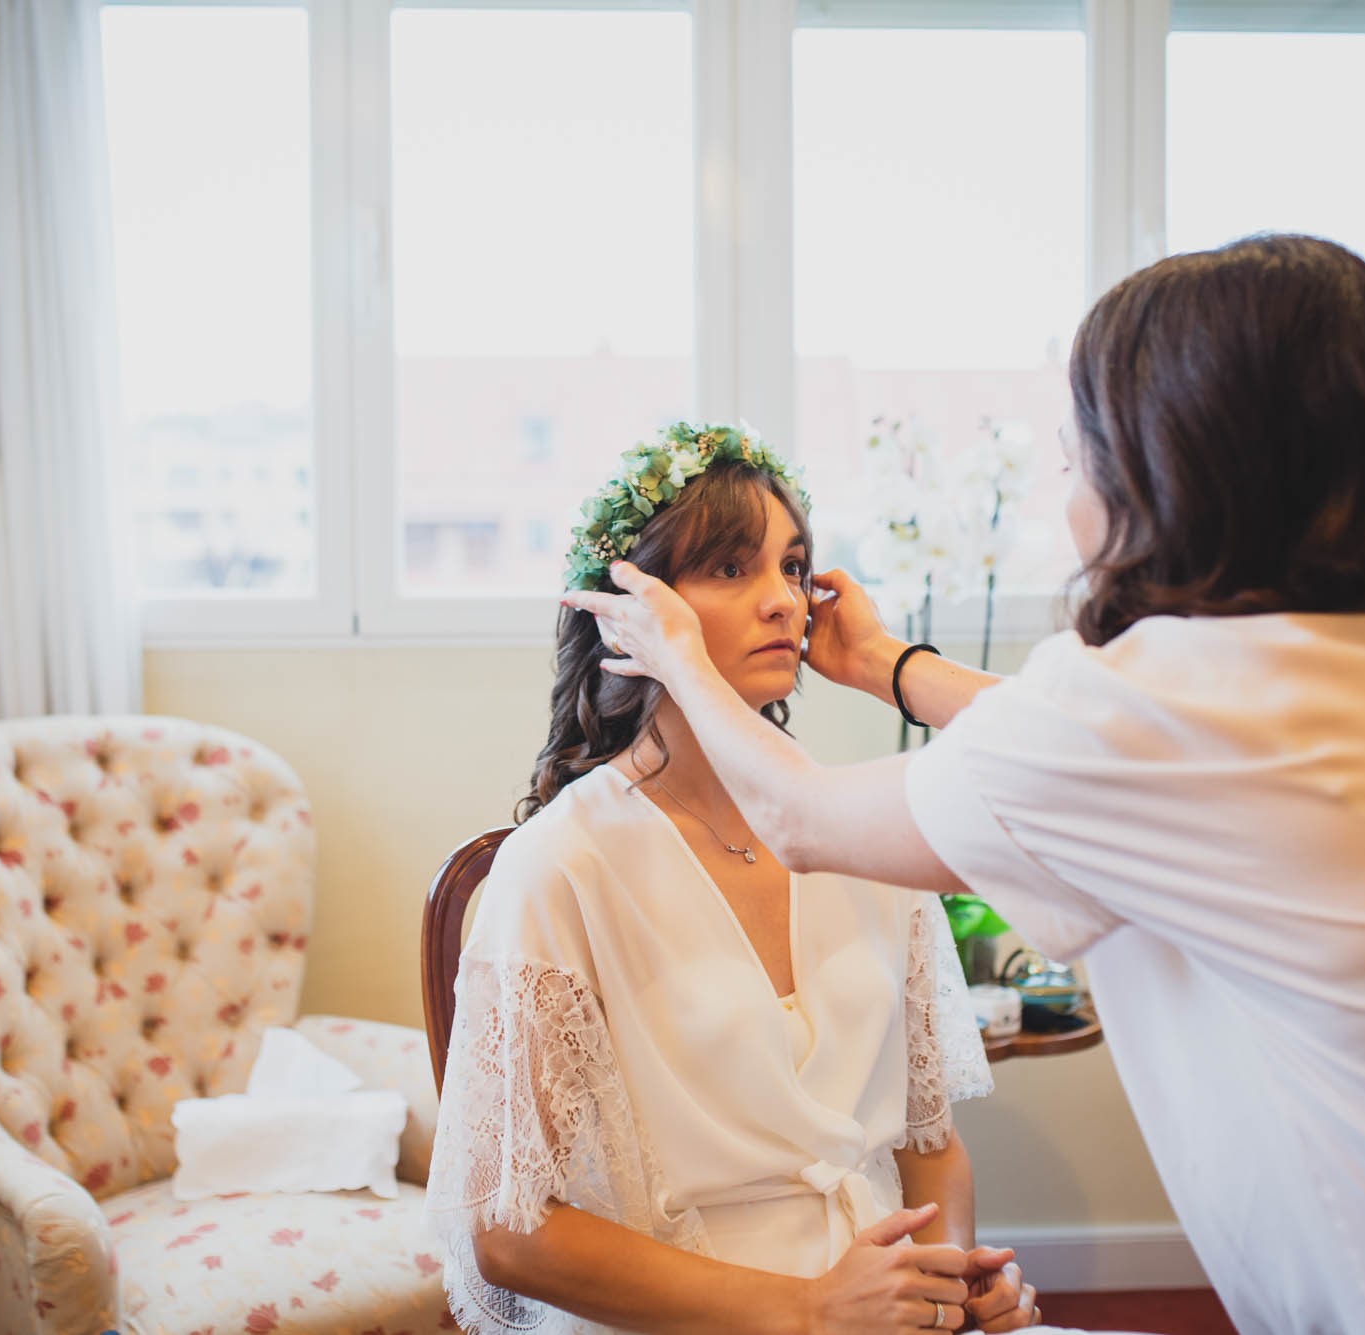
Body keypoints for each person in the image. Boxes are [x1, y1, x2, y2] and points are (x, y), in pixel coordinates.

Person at [564, 236, 1365, 1333]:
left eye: (1075, 462)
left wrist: (680, 656)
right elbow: (1129, 758)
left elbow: (798, 817)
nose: (1064, 497)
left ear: (1171, 474)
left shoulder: (1170, 701)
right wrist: (887, 663)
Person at [425, 424, 1044, 1335]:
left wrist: (946, 1286)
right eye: (729, 568)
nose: (783, 603)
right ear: (632, 609)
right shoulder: (562, 867)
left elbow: (929, 1146)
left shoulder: (864, 832)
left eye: (794, 568)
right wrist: (807, 1309)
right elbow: (509, 1233)